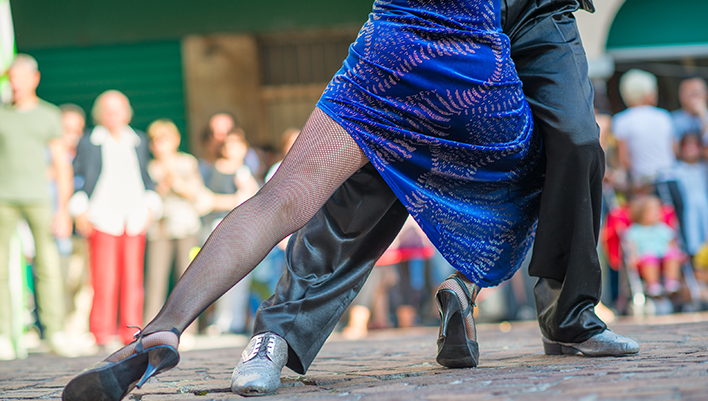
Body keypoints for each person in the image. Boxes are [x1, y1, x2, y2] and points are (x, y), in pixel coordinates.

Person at [62, 2, 636, 400]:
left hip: (401, 43)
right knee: (516, 169)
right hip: (468, 51)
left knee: (283, 197)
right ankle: (285, 330)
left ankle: (162, 328)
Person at [233, 0, 640, 396]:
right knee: (380, 159)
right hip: (441, 12)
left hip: (539, 11)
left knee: (575, 141)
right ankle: (277, 333)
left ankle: (567, 316)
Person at [68, 90, 162, 349]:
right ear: (100, 113)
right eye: (108, 110)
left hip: (134, 217)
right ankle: (102, 333)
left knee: (133, 279)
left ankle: (130, 332)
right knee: (103, 280)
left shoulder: (138, 140)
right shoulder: (90, 141)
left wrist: (151, 207)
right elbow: (79, 176)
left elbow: (146, 177)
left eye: (118, 109)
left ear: (127, 112)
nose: (113, 115)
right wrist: (80, 209)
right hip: (102, 216)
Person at [0, 54, 73, 361]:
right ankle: (3, 336)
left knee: (48, 266)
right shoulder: (2, 114)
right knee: (1, 268)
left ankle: (55, 332)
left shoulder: (48, 114)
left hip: (39, 199)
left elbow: (61, 163)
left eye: (21, 77)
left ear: (35, 78)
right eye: (11, 77)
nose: (15, 83)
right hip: (3, 199)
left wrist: (63, 208)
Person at [143, 119, 213, 339]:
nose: (158, 145)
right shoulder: (149, 167)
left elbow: (197, 194)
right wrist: (162, 186)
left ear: (175, 140)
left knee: (186, 278)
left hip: (186, 226)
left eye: (163, 139)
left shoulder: (187, 162)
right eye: (154, 140)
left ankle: (187, 328)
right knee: (155, 279)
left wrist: (177, 183)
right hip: (159, 229)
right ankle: (150, 328)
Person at [613, 69, 676, 187]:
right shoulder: (664, 116)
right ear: (648, 94)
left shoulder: (621, 120)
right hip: (669, 179)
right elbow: (674, 150)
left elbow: (623, 160)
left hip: (642, 183)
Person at [625, 195, 683, 297]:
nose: (659, 213)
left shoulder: (662, 228)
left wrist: (676, 251)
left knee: (672, 254)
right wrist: (633, 256)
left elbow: (670, 242)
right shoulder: (634, 231)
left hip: (663, 255)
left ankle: (671, 281)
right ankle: (653, 284)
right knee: (650, 256)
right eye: (655, 211)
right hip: (645, 258)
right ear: (643, 214)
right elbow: (632, 246)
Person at [673, 133, 708, 257]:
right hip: (687, 206)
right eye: (687, 146)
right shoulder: (676, 169)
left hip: (704, 205)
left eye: (694, 146)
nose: (690, 150)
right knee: (691, 230)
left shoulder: (704, 167)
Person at [671, 77, 708, 142]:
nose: (693, 98)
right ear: (680, 96)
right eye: (689, 93)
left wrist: (703, 115)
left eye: (696, 93)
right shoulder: (672, 119)